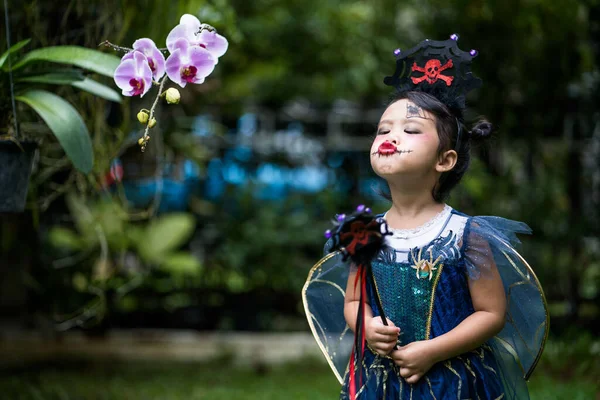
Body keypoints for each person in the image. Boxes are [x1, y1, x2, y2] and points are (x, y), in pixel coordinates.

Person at [302, 35, 548, 400]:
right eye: (383, 129)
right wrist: (366, 327)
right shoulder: (363, 232)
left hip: (452, 381)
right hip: (379, 382)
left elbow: (491, 314)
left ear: (444, 160)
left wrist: (432, 350)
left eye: (411, 130)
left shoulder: (468, 234)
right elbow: (354, 302)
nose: (391, 136)